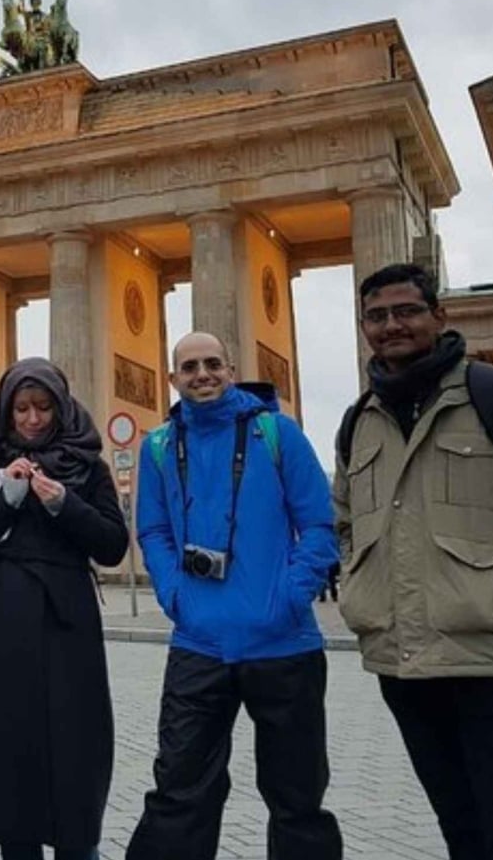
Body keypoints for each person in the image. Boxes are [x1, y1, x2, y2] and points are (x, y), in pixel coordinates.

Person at [333, 263, 493, 860]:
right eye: (376, 316)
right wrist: (359, 590)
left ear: (439, 316)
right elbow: (346, 523)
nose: (391, 325)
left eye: (406, 311)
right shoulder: (358, 421)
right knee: (459, 825)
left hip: (489, 654)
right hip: (401, 660)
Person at [125, 332, 342, 860]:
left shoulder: (277, 434)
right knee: (178, 790)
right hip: (198, 641)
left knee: (297, 796)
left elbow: (318, 524)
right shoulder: (157, 446)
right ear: (173, 377)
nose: (202, 374)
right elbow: (152, 531)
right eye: (190, 366)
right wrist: (174, 593)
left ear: (231, 368)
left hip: (284, 642)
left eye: (212, 364)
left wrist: (289, 596)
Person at [0, 357, 128, 860]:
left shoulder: (87, 467)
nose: (31, 419)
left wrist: (63, 503)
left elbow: (113, 544)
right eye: (21, 409)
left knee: (75, 753)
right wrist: (4, 497)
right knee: (9, 759)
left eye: (43, 408)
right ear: (6, 412)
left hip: (66, 630)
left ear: (61, 408)